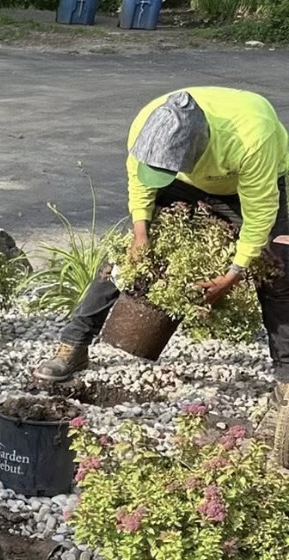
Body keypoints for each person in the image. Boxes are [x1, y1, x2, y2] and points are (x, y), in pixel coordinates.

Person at [34, 87, 289, 403]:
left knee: (277, 268)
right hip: (182, 183)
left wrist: (233, 274)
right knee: (123, 258)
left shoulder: (252, 138)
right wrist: (141, 233)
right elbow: (140, 181)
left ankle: (286, 377)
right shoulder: (149, 123)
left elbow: (260, 215)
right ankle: (73, 345)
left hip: (247, 181)